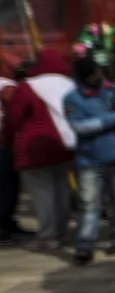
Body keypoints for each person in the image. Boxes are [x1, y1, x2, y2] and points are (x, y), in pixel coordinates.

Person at [0, 49, 75, 250]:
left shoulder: (29, 87)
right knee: (61, 189)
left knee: (43, 193)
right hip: (63, 144)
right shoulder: (69, 84)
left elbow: (14, 118)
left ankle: (48, 236)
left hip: (34, 147)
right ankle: (61, 232)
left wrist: (8, 141)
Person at [63, 56, 115, 264]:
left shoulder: (114, 90)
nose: (96, 78)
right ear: (82, 78)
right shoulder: (72, 99)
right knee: (89, 204)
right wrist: (114, 117)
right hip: (89, 161)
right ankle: (85, 245)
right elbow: (81, 127)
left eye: (98, 73)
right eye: (91, 76)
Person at [0, 68, 34, 246]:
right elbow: (17, 112)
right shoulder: (7, 86)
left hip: (6, 142)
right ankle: (4, 226)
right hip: (4, 143)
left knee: (9, 186)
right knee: (7, 186)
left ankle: (8, 223)